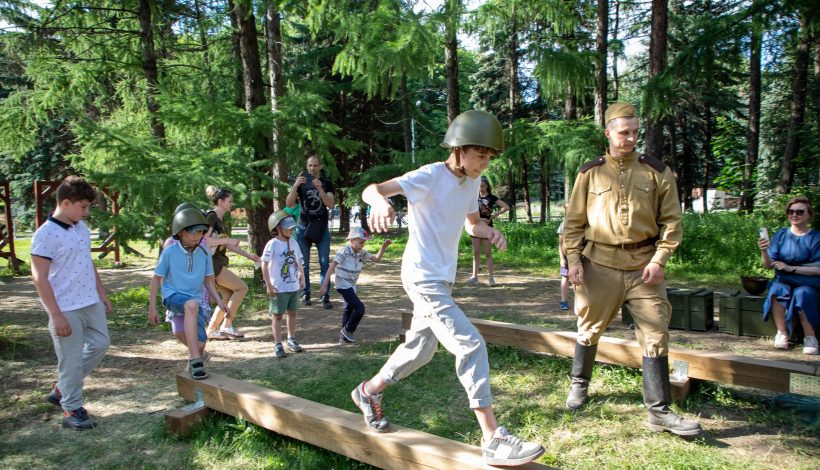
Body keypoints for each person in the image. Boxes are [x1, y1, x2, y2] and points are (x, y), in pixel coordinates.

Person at [351, 110, 544, 467]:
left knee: (421, 350)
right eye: (481, 155)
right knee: (470, 343)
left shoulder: (471, 183)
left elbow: (471, 224)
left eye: (489, 157)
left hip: (442, 279)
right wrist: (378, 201)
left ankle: (368, 391)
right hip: (422, 276)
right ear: (459, 149)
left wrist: (489, 231)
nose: (485, 164)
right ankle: (493, 438)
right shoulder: (428, 176)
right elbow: (373, 189)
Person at [562, 102, 702, 436]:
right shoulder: (589, 172)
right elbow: (573, 223)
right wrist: (574, 261)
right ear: (608, 133)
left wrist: (659, 259)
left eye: (635, 132)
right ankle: (579, 384)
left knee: (655, 334)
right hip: (600, 266)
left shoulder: (656, 171)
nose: (630, 139)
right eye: (624, 133)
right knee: (589, 328)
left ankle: (659, 412)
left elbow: (672, 221)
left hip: (645, 268)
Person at [31, 176, 112, 430]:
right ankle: (71, 409)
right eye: (83, 207)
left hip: (90, 301)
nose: (86, 212)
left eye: (88, 207)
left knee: (101, 344)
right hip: (65, 307)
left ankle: (62, 388)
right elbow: (39, 277)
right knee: (71, 360)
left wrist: (102, 293)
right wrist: (55, 315)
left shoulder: (81, 228)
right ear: (66, 203)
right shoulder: (45, 235)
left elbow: (88, 263)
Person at [149, 208, 229, 379]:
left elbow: (208, 280)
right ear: (181, 232)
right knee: (189, 309)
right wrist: (152, 308)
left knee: (200, 343)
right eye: (193, 232)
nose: (197, 236)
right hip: (173, 296)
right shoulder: (170, 252)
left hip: (195, 301)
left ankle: (192, 371)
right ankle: (195, 360)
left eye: (201, 232)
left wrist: (219, 300)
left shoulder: (204, 252)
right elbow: (156, 279)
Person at [160, 203, 240, 361]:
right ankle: (197, 354)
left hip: (198, 294)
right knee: (178, 331)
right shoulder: (170, 244)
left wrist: (213, 294)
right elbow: (163, 271)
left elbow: (207, 274)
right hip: (176, 293)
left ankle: (194, 362)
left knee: (199, 336)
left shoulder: (201, 244)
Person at [758, 196, 819, 355]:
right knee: (777, 289)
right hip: (784, 279)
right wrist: (764, 251)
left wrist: (791, 268)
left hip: (808, 282)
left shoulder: (816, 238)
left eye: (800, 211)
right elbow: (768, 264)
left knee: (803, 293)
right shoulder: (781, 235)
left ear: (809, 215)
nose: (794, 214)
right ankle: (782, 333)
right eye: (791, 211)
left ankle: (810, 337)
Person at [203, 186, 260, 340]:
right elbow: (205, 241)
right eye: (230, 201)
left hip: (216, 264)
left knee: (228, 295)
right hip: (213, 265)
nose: (232, 204)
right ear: (220, 201)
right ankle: (227, 326)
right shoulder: (212, 217)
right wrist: (227, 239)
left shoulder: (219, 219)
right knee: (242, 288)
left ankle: (212, 330)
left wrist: (249, 256)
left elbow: (226, 244)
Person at [319, 227, 392, 345]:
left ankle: (343, 338)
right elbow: (332, 266)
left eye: (364, 242)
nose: (363, 245)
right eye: (361, 242)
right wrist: (325, 284)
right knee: (360, 308)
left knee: (348, 308)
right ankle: (348, 330)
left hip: (351, 285)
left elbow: (376, 259)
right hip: (342, 284)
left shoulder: (361, 252)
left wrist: (383, 247)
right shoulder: (344, 251)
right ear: (352, 240)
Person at [286, 155, 336, 309]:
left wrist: (320, 188)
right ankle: (305, 293)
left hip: (321, 227)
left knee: (324, 262)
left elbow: (331, 204)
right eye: (310, 165)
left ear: (319, 167)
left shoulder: (326, 183)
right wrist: (295, 186)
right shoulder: (300, 183)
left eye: (315, 165)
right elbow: (289, 204)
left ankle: (324, 295)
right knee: (303, 264)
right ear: (306, 166)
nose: (312, 168)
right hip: (302, 227)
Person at [261, 210, 306, 358]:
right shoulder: (272, 244)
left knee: (292, 313)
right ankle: (278, 343)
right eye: (288, 228)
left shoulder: (294, 242)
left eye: (293, 228)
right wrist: (268, 284)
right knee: (277, 315)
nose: (291, 230)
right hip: (278, 287)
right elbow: (264, 264)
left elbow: (299, 261)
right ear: (277, 228)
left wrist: (303, 278)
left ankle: (291, 339)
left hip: (293, 286)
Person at [467, 176, 509, 287]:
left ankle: (491, 278)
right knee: (475, 253)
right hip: (475, 228)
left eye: (483, 186)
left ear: (487, 186)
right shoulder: (473, 197)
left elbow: (506, 207)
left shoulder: (491, 198)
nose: (481, 188)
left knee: (488, 253)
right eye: (479, 186)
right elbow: (467, 212)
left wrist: (493, 215)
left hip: (487, 229)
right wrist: (479, 219)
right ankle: (474, 277)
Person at [557, 211, 570, 310]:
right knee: (565, 278)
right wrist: (562, 258)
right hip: (566, 256)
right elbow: (560, 244)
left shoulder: (582, 223)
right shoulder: (563, 224)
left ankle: (579, 301)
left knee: (577, 280)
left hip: (579, 256)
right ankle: (563, 300)